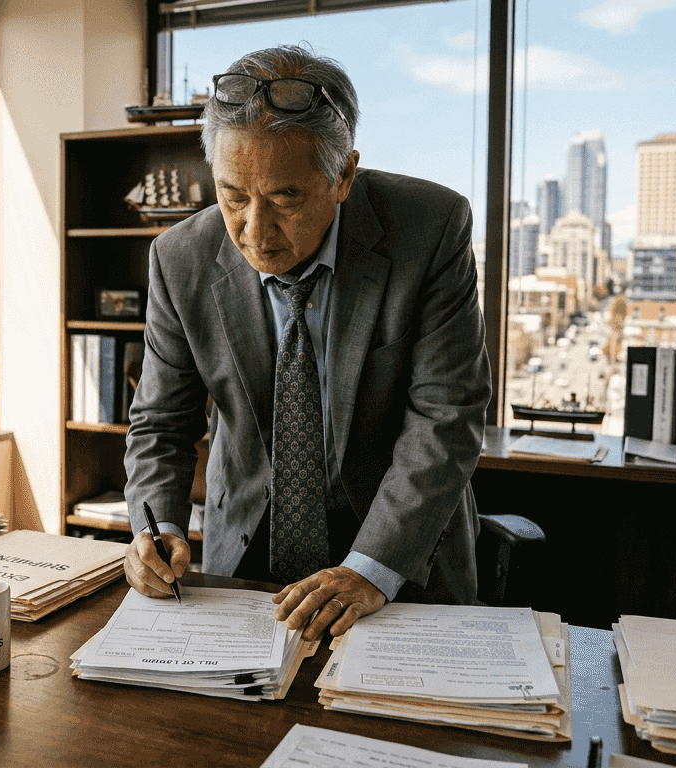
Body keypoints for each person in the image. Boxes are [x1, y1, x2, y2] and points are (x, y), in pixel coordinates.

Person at [122, 44, 491, 640]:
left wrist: (369, 570)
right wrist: (154, 524)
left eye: (285, 198)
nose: (253, 231)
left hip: (398, 568)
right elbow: (161, 423)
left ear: (343, 174)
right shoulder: (179, 258)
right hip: (245, 568)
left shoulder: (429, 228)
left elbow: (446, 417)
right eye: (233, 195)